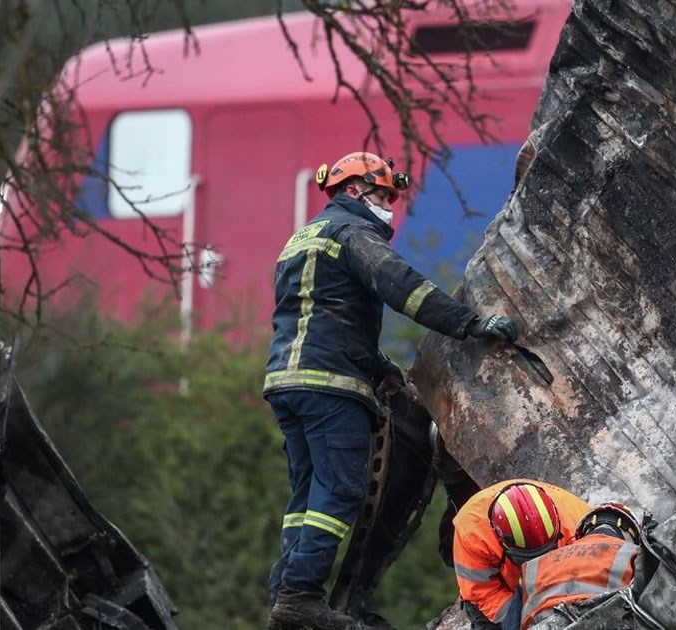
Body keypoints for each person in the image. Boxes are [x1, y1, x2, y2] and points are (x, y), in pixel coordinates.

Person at [264, 151, 518, 630]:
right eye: (382, 195)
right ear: (354, 190)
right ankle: (300, 598)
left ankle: (285, 594)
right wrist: (469, 323)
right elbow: (403, 287)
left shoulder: (300, 240)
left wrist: (380, 366)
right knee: (341, 488)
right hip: (331, 387)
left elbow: (319, 318)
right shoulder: (351, 233)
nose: (388, 206)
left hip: (286, 382)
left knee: (305, 496)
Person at [452, 480, 590, 628]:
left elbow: (594, 575)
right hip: (507, 590)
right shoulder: (472, 533)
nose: (537, 567)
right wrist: (523, 622)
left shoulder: (578, 522)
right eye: (527, 559)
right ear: (501, 540)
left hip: (564, 580)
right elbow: (484, 592)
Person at [509, 502, 643, 630]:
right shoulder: (635, 555)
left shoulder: (533, 566)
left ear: (584, 530)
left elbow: (511, 625)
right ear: (631, 534)